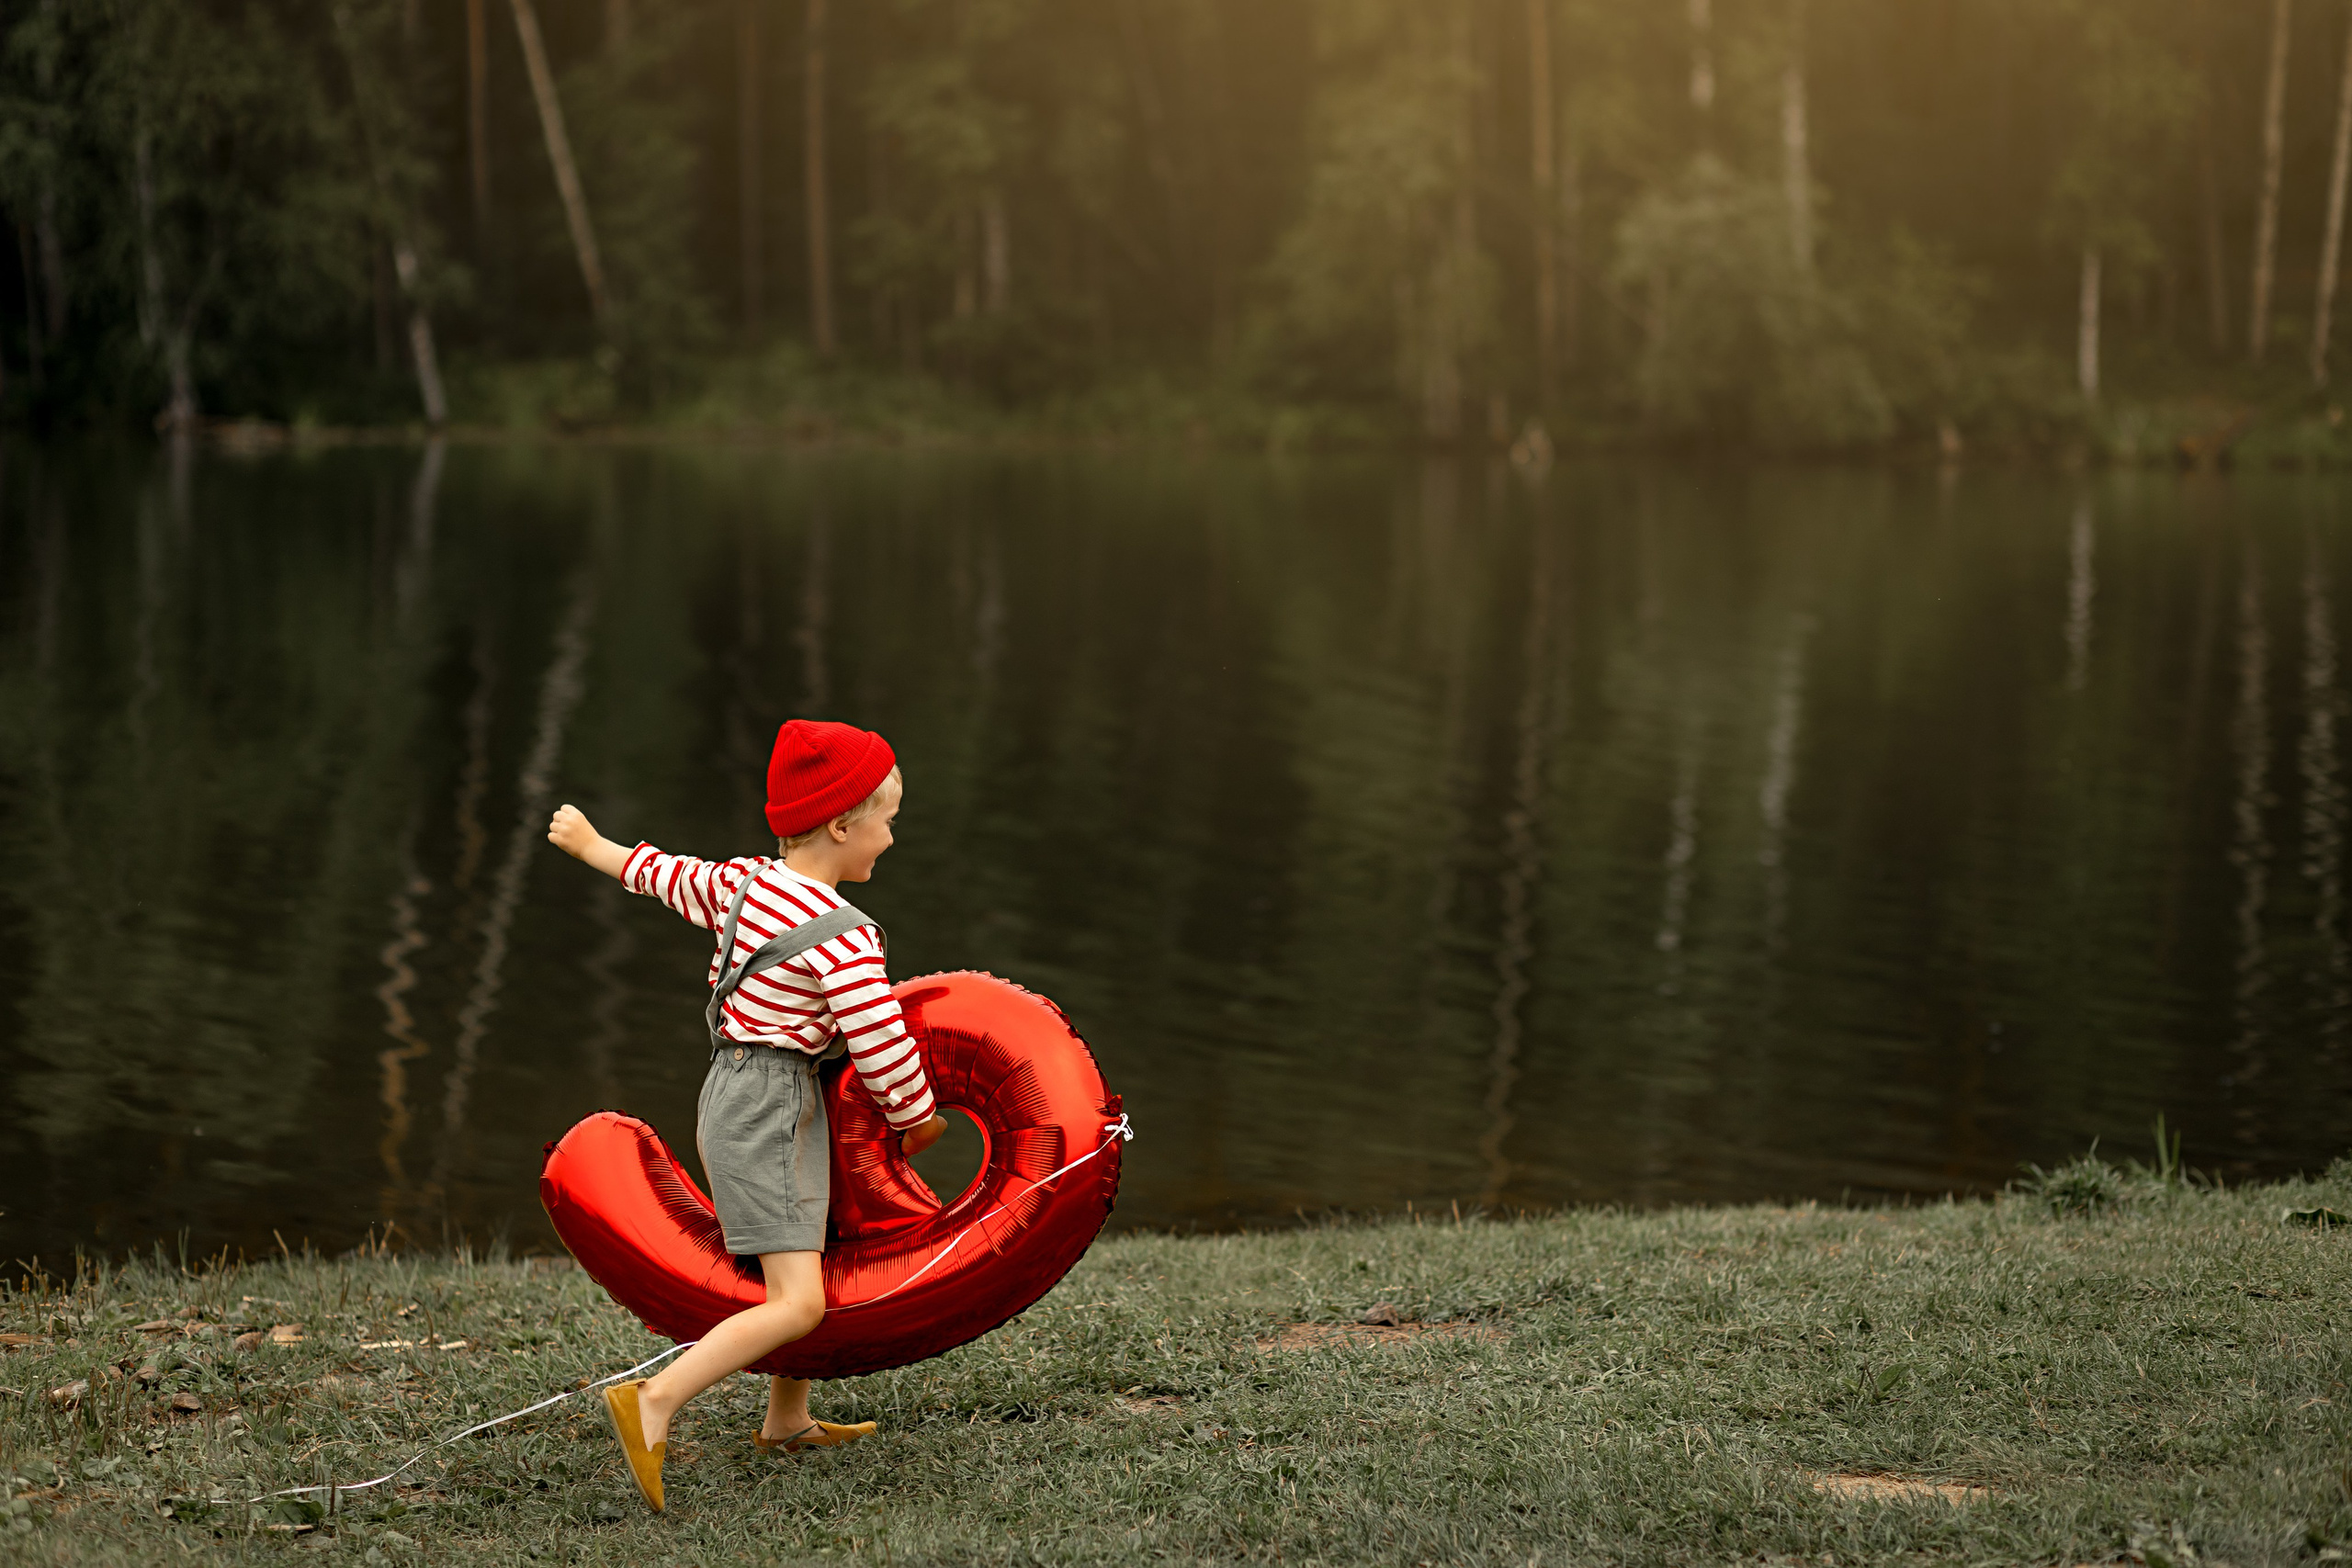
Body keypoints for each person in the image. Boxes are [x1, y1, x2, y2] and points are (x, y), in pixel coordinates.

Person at [546, 718, 949, 1513]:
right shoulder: (845, 940)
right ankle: (655, 1401)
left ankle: (786, 1419)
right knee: (800, 1299)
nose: (892, 839)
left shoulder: (745, 885)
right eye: (888, 820)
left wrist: (594, 846)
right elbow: (880, 1041)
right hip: (772, 1107)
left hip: (743, 1091)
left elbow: (666, 874)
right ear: (841, 825)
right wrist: (919, 1117)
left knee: (819, 1248)